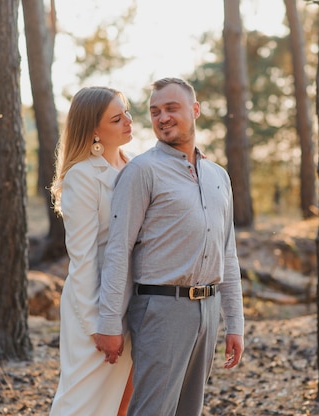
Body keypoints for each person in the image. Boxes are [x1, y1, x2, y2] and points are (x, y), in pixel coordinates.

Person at [95, 77, 245, 416]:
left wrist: (234, 322)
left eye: (171, 108)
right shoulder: (141, 171)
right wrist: (109, 323)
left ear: (195, 110)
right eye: (155, 111)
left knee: (188, 411)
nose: (162, 117)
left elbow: (228, 254)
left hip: (207, 310)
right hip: (160, 310)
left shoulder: (218, 176)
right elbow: (119, 249)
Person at [49, 86, 134, 416]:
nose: (128, 121)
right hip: (95, 305)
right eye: (117, 118)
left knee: (122, 400)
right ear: (94, 130)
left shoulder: (135, 165)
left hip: (133, 301)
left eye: (126, 111)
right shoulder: (82, 176)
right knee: (81, 402)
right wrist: (98, 325)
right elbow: (82, 259)